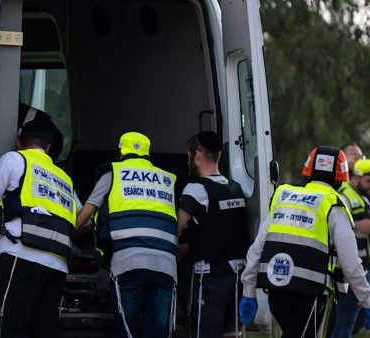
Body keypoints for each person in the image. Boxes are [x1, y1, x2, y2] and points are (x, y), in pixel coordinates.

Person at [239, 146, 370, 338]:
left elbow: (256, 249)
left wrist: (248, 292)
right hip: (309, 295)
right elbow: (350, 265)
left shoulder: (283, 197)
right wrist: (367, 302)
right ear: (341, 179)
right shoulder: (333, 205)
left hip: (277, 292)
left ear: (308, 172)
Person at [75, 131, 178, 338]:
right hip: (166, 265)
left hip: (127, 262)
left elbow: (84, 215)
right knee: (158, 331)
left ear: (121, 152)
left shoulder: (113, 173)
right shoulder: (167, 179)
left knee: (128, 331)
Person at [0, 119, 79, 338]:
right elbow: (80, 219)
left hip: (20, 254)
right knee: (43, 330)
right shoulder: (65, 178)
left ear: (19, 142)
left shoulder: (14, 158)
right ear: (48, 148)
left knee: (9, 326)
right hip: (57, 264)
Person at [176, 131, 249, 338]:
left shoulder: (196, 189)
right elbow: (220, 233)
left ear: (197, 155)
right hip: (236, 277)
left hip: (209, 277)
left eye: (188, 155)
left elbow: (177, 229)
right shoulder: (236, 188)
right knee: (231, 334)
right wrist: (190, 246)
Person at [331, 158, 370, 337]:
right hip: (348, 269)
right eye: (368, 181)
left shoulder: (362, 198)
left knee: (356, 322)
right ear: (356, 177)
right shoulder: (344, 197)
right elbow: (344, 225)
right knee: (345, 323)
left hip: (362, 267)